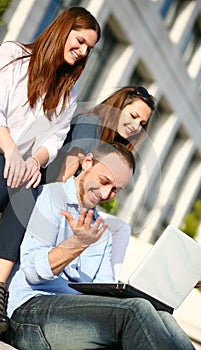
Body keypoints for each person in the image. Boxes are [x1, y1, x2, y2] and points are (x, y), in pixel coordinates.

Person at [0, 6, 101, 333]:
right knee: (5, 169)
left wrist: (32, 162)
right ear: (63, 30)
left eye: (89, 48)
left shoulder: (66, 92)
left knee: (26, 181)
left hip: (4, 170)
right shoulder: (13, 56)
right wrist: (13, 152)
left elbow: (54, 138)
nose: (83, 51)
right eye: (80, 41)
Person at [2, 142, 195, 350]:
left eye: (115, 190)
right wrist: (77, 244)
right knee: (134, 311)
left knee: (164, 318)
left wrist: (173, 282)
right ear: (87, 163)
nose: (105, 194)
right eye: (104, 181)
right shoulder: (50, 197)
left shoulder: (101, 233)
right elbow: (32, 271)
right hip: (29, 314)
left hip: (77, 317)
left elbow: (103, 292)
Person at [45, 85, 157, 278]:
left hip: (79, 208)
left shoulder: (115, 145)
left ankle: (107, 285)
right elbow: (63, 176)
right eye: (133, 115)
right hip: (56, 201)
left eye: (142, 123)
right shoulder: (91, 123)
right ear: (119, 106)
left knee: (120, 229)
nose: (136, 126)